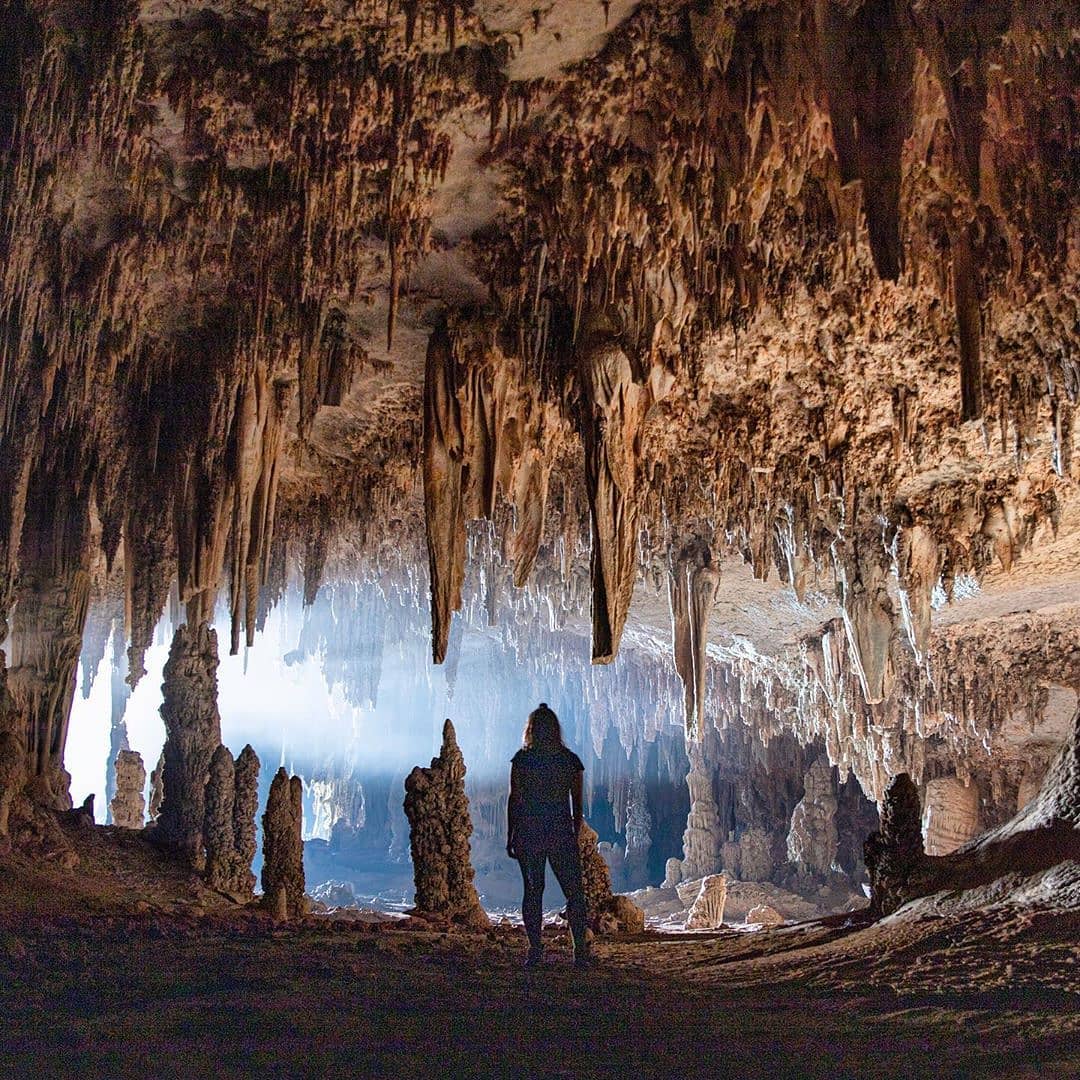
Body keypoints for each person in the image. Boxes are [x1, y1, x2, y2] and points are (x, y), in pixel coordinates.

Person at [506, 702, 591, 969]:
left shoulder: (523, 759)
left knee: (533, 891)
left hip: (530, 829)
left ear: (531, 730)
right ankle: (579, 951)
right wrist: (575, 832)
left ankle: (535, 949)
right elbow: (577, 803)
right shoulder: (569, 761)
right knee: (574, 892)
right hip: (559, 830)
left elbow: (515, 799)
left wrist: (511, 833)